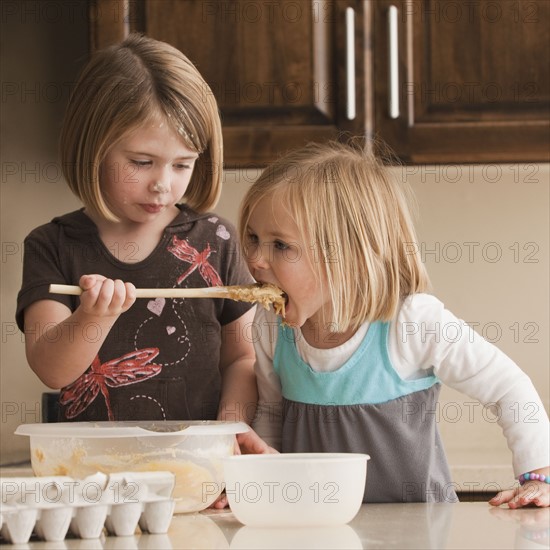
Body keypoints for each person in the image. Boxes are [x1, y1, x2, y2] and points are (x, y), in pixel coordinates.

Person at [237, 140, 550, 508]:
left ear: (349, 255)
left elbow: (509, 387)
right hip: (318, 528)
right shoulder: (270, 326)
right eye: (253, 238)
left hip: (419, 534)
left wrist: (537, 475)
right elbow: (272, 418)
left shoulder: (411, 322)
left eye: (280, 245)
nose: (256, 259)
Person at [16, 34, 257, 427]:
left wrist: (230, 428)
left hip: (196, 466)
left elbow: (242, 358)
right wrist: (93, 317)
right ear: (92, 147)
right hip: (92, 472)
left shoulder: (217, 240)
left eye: (182, 164)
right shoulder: (53, 245)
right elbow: (51, 369)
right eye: (142, 162)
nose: (163, 183)